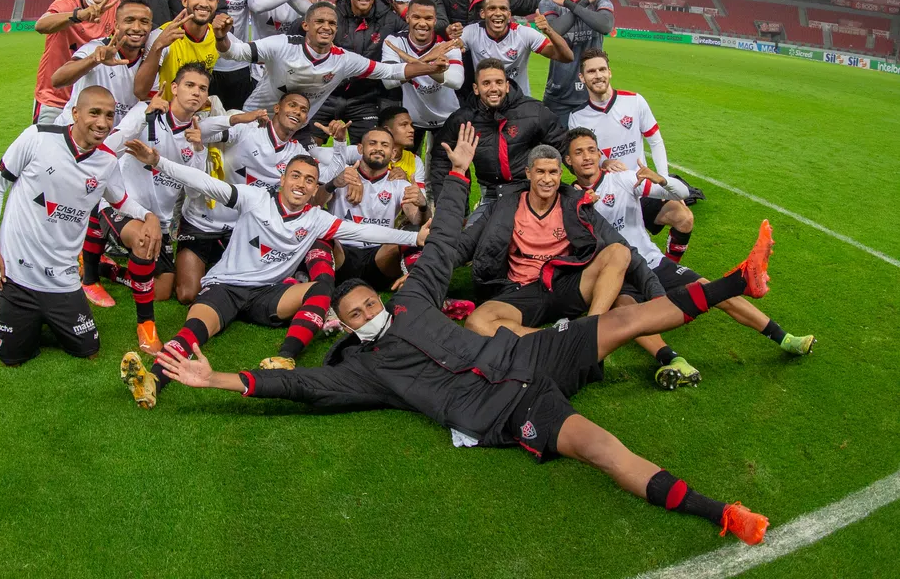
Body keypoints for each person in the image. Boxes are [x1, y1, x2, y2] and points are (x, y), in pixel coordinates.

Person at [135, 122, 773, 547]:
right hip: (505, 407)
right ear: (347, 327)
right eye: (353, 312)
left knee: (628, 316)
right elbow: (298, 384)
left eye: (365, 300)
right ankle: (722, 515)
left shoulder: (409, 300)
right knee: (601, 448)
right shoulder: (364, 371)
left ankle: (741, 280)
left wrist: (460, 174)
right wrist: (212, 376)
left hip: (525, 349)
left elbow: (440, 244)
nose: (363, 308)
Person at [118, 146, 429, 390]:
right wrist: (158, 161)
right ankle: (154, 381)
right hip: (225, 287)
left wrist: (415, 236)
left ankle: (286, 357)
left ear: (313, 188)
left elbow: (366, 232)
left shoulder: (316, 218)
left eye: (310, 180)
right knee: (194, 331)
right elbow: (205, 183)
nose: (302, 184)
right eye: (296, 176)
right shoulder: (255, 198)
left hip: (269, 295)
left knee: (322, 286)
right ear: (283, 179)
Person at [564, 127, 816, 387]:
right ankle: (673, 361)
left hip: (652, 262)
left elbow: (682, 194)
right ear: (568, 160)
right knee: (627, 312)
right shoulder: (568, 199)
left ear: (599, 154)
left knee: (708, 288)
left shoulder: (625, 179)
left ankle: (784, 338)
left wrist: (661, 180)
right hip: (615, 275)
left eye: (591, 150)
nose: (587, 157)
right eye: (579, 152)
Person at [0, 86, 160, 366]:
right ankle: (24, 317)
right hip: (18, 274)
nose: (102, 123)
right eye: (94, 113)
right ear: (75, 113)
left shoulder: (106, 161)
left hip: (62, 279)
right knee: (12, 357)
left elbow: (121, 200)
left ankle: (45, 317)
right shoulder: (38, 137)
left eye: (109, 115)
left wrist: (149, 216)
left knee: (87, 348)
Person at [80, 63, 222, 355]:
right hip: (122, 204)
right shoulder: (146, 112)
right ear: (174, 88)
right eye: (189, 85)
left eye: (202, 88)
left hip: (163, 218)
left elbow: (194, 191)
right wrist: (142, 119)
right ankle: (146, 326)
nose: (195, 93)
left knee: (161, 291)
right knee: (144, 242)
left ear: (206, 98)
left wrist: (198, 151)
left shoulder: (196, 136)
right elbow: (107, 149)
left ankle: (110, 270)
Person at [457, 144, 662, 338]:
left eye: (553, 172)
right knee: (477, 322)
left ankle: (590, 331)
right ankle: (560, 338)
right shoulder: (504, 207)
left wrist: (657, 295)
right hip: (523, 289)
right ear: (528, 173)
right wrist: (430, 259)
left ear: (560, 174)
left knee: (619, 251)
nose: (547, 179)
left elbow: (622, 246)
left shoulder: (576, 205)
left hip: (565, 283)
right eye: (540, 172)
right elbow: (465, 244)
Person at [172, 93, 348, 307]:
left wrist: (339, 142)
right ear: (277, 108)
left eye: (303, 110)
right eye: (292, 105)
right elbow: (198, 131)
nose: (297, 112)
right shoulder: (248, 129)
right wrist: (237, 118)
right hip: (204, 221)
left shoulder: (296, 152)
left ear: (305, 121)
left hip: (244, 230)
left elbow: (327, 176)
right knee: (187, 294)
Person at [217, 2, 448, 134]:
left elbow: (389, 71)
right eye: (320, 22)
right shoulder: (281, 45)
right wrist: (221, 37)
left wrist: (428, 68)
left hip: (297, 126)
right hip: (255, 119)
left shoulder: (343, 59)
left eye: (332, 23)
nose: (326, 27)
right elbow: (234, 52)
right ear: (306, 25)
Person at [569, 49, 695, 264]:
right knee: (615, 250)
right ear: (582, 78)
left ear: (610, 72)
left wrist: (663, 181)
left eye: (601, 69)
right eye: (591, 71)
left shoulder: (634, 101)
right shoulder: (577, 117)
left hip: (640, 184)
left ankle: (670, 267)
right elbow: (580, 161)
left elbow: (655, 140)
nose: (597, 75)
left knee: (684, 219)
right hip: (610, 192)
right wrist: (603, 162)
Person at [300, 0, 409, 143]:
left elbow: (416, 34)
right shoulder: (331, 15)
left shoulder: (389, 19)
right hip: (326, 94)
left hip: (365, 99)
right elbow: (299, 29)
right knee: (307, 147)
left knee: (367, 150)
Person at [426, 58, 566, 218]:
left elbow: (563, 145)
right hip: (492, 194)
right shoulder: (463, 119)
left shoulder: (534, 111)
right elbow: (441, 161)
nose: (494, 88)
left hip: (531, 191)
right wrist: (450, 210)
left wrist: (586, 182)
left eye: (499, 82)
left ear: (507, 86)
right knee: (473, 239)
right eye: (486, 83)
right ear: (476, 88)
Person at [320, 127, 427, 291]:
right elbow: (313, 205)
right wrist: (333, 184)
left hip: (380, 260)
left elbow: (418, 221)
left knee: (413, 233)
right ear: (360, 149)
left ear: (392, 154)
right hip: (341, 258)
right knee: (319, 233)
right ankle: (316, 288)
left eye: (384, 145)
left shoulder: (400, 184)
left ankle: (419, 289)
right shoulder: (343, 176)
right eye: (372, 143)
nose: (378, 148)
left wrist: (423, 205)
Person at [31, 0, 120, 124]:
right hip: (55, 100)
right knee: (46, 148)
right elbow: (41, 25)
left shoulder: (115, 7)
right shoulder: (65, 3)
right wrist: (78, 15)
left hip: (90, 103)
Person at [380, 0, 465, 158]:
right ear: (407, 18)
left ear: (435, 21)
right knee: (403, 172)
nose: (422, 23)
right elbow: (389, 81)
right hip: (412, 120)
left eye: (428, 18)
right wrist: (428, 61)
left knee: (444, 172)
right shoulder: (395, 41)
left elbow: (456, 81)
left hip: (447, 118)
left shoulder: (447, 44)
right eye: (416, 17)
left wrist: (412, 64)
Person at [50, 0, 154, 126]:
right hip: (72, 135)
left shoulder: (151, 59)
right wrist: (94, 59)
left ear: (150, 26)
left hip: (111, 141)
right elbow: (57, 80)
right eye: (129, 20)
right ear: (116, 25)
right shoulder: (95, 49)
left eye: (144, 22)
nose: (137, 28)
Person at [539, 0, 615, 125]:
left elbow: (605, 26)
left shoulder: (600, 0)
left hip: (593, 92)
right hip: (559, 95)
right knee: (557, 148)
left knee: (592, 149)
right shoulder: (548, 1)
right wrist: (585, 1)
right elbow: (556, 31)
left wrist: (568, 4)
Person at [460, 0, 574, 96]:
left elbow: (567, 57)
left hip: (519, 103)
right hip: (488, 100)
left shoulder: (524, 34)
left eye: (503, 9)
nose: (498, 13)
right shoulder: (471, 32)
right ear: (483, 13)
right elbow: (451, 50)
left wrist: (549, 31)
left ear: (509, 15)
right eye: (492, 8)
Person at [133, 0, 222, 105]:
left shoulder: (219, 36)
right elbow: (140, 91)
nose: (204, 3)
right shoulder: (162, 35)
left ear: (216, 3)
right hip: (168, 114)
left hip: (198, 113)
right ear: (185, 0)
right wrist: (158, 46)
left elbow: (243, 56)